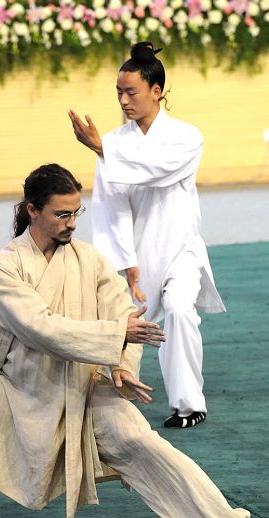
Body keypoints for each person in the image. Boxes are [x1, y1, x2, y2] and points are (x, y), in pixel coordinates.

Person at [0, 164, 262, 518]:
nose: (73, 222)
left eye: (77, 213)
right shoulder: (2, 268)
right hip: (18, 386)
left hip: (86, 388)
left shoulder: (90, 259)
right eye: (63, 214)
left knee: (144, 447)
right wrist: (116, 336)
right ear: (32, 210)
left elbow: (122, 310)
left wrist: (123, 365)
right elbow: (40, 327)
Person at [69, 42, 225, 429]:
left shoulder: (187, 137)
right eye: (119, 92)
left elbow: (159, 170)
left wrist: (104, 151)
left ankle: (189, 405)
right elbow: (110, 207)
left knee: (177, 310)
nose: (124, 100)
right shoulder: (114, 142)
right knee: (126, 327)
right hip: (138, 255)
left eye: (131, 91)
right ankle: (102, 402)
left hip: (181, 250)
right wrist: (126, 263)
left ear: (156, 91)